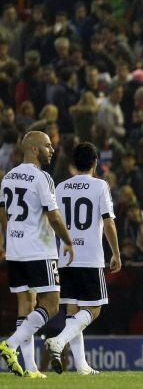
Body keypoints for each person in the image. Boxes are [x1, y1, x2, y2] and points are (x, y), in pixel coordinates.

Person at [0, 131, 74, 379]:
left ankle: (31, 368)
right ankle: (9, 345)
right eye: (47, 145)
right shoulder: (42, 178)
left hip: (15, 250)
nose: (52, 150)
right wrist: (68, 241)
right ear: (33, 149)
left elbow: (3, 215)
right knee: (51, 305)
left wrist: (9, 239)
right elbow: (53, 216)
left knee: (26, 305)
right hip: (39, 249)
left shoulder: (8, 177)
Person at [44, 142, 121, 376]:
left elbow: (52, 222)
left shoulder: (61, 187)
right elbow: (108, 222)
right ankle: (58, 342)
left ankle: (81, 365)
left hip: (65, 257)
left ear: (72, 164)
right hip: (89, 257)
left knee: (73, 310)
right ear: (95, 163)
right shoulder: (100, 186)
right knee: (94, 309)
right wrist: (116, 253)